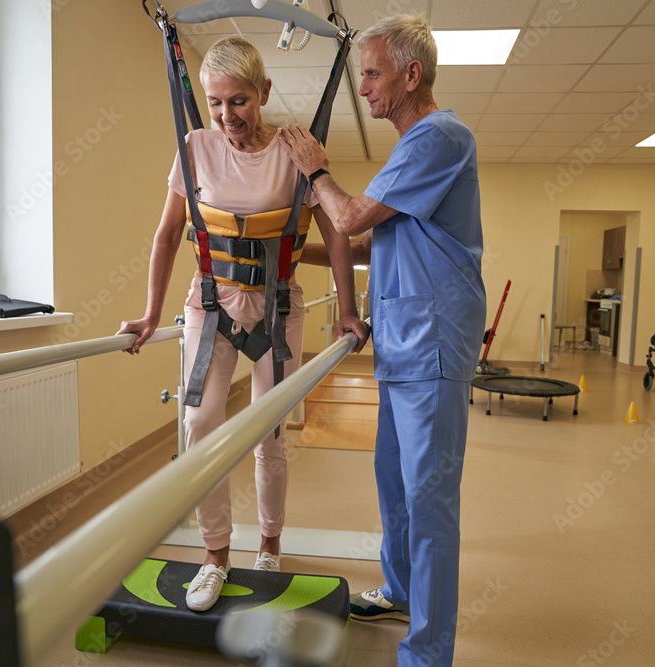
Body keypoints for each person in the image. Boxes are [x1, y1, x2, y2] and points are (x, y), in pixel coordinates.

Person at [117, 36, 368, 613]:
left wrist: (348, 310)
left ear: (264, 93)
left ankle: (271, 544)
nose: (227, 117)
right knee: (199, 426)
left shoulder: (297, 151)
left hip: (277, 307)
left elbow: (334, 235)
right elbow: (165, 236)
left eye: (239, 101)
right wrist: (153, 314)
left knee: (268, 432)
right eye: (214, 103)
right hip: (210, 303)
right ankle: (214, 556)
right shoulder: (194, 147)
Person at [280, 15, 486, 667]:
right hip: (403, 347)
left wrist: (315, 171)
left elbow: (348, 215)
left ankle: (427, 653)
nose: (363, 88)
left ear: (410, 74)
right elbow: (365, 240)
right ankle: (399, 592)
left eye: (370, 73)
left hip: (433, 345)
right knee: (394, 484)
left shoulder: (439, 136)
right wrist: (292, 254)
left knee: (429, 503)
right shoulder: (409, 148)